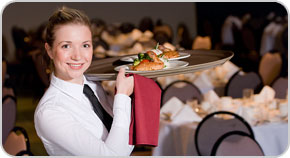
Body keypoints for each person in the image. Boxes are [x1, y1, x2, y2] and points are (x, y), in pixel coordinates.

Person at [34, 7, 134, 156]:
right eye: (66, 46)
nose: (77, 56)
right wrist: (122, 97)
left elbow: (124, 137)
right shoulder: (50, 112)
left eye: (85, 45)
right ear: (49, 51)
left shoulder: (92, 86)